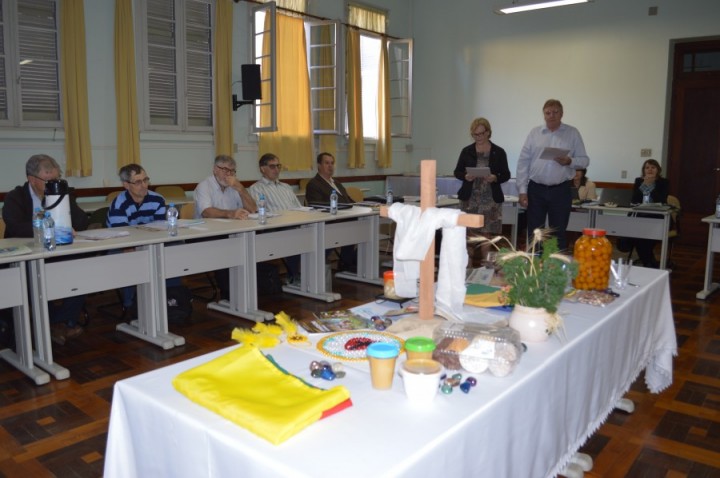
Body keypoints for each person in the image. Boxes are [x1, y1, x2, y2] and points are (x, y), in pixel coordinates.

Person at [2, 154, 89, 345]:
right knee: (37, 283)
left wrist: (63, 199)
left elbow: (82, 221)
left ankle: (55, 322)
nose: (53, 184)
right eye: (48, 181)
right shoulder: (15, 197)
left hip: (56, 254)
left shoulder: (60, 193)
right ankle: (49, 324)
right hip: (25, 255)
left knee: (82, 273)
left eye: (56, 179)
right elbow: (14, 227)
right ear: (32, 179)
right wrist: (46, 228)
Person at [516, 99, 589, 250]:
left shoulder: (572, 133)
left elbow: (584, 160)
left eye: (555, 112)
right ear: (543, 115)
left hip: (561, 190)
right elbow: (523, 163)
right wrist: (522, 191)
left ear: (562, 114)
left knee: (558, 232)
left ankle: (556, 268)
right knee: (535, 232)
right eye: (548, 113)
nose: (551, 115)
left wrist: (570, 161)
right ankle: (535, 267)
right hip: (536, 189)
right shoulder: (535, 133)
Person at [106, 164, 178, 316]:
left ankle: (171, 297)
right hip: (120, 243)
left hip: (149, 242)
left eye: (145, 180)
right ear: (126, 185)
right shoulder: (119, 203)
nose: (144, 185)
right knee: (130, 257)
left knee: (172, 251)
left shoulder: (157, 199)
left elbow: (161, 229)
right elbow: (123, 237)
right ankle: (131, 305)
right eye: (138, 182)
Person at [194, 155, 257, 300]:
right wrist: (230, 213)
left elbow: (253, 209)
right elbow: (206, 211)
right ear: (215, 169)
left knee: (250, 243)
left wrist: (241, 189)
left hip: (233, 232)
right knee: (227, 247)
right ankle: (230, 295)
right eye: (225, 170)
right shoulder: (204, 186)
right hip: (207, 234)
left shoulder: (234, 186)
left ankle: (248, 290)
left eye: (232, 171)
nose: (228, 174)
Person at [453, 117, 511, 262]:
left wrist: (495, 177)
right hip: (470, 199)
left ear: (488, 132)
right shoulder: (467, 151)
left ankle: (486, 266)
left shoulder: (499, 152)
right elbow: (457, 172)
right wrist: (466, 176)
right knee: (469, 233)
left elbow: (506, 174)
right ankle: (468, 265)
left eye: (480, 134)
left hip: (490, 199)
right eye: (475, 134)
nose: (478, 137)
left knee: (487, 234)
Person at [249, 153, 302, 284]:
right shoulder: (256, 189)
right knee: (294, 234)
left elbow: (299, 208)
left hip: (295, 222)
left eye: (278, 166)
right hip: (275, 228)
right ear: (262, 168)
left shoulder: (286, 187)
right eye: (272, 166)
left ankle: (310, 271)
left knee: (318, 229)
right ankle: (294, 275)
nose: (276, 169)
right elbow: (262, 214)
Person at [305, 152, 356, 272]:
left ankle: (347, 262)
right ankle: (344, 263)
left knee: (359, 225)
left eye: (332, 163)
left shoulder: (336, 183)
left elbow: (348, 200)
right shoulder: (313, 184)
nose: (330, 166)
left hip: (345, 217)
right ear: (319, 165)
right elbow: (315, 204)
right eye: (326, 163)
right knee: (349, 227)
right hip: (329, 222)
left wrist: (360, 205)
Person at [627, 159, 670, 268]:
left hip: (657, 217)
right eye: (647, 167)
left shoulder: (664, 182)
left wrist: (650, 185)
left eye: (653, 167)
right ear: (643, 170)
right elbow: (634, 200)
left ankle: (648, 262)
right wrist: (643, 185)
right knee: (637, 236)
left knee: (646, 238)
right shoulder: (638, 181)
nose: (650, 170)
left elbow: (661, 200)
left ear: (658, 170)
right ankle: (649, 262)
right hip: (640, 216)